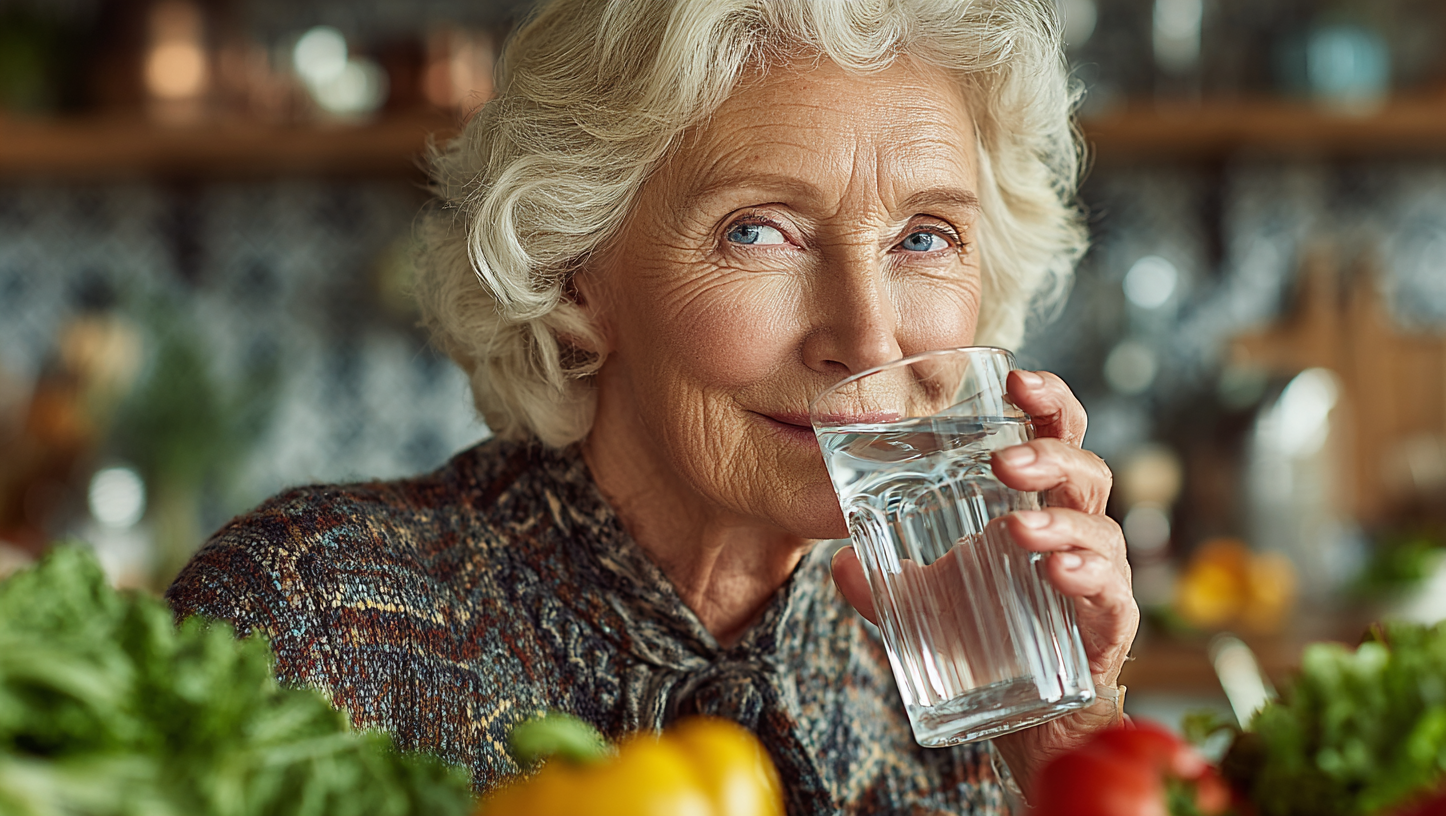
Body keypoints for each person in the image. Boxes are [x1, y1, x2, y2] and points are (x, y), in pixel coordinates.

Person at [167, 0, 1138, 812]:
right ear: (577, 273)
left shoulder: (960, 679)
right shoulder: (311, 620)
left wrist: (1066, 750)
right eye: (759, 231)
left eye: (925, 238)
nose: (870, 337)